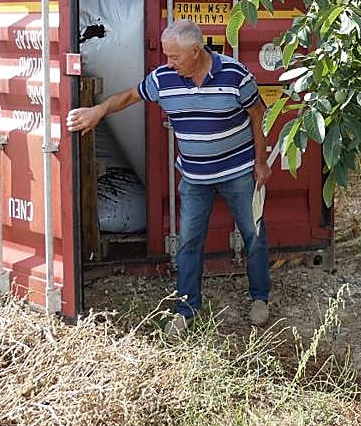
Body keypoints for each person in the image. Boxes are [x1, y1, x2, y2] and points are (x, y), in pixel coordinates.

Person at [66, 18, 271, 333]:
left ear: (196, 51)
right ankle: (186, 309)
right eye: (166, 56)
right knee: (189, 242)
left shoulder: (235, 75)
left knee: (254, 236)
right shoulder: (164, 79)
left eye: (174, 57)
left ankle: (260, 298)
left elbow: (257, 114)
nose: (168, 63)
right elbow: (128, 97)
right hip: (194, 178)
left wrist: (261, 162)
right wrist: (98, 111)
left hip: (238, 172)